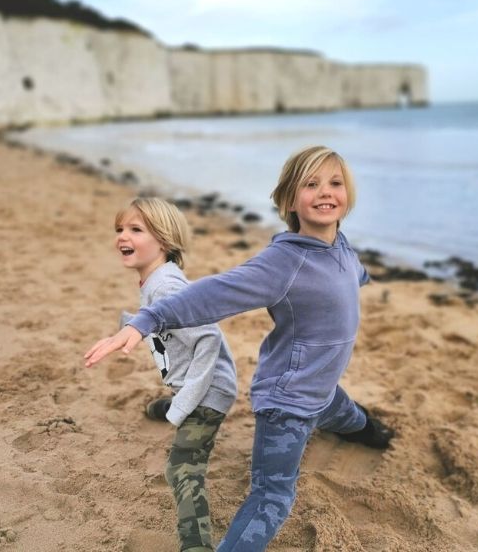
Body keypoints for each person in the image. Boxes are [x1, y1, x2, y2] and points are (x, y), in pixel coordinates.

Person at [84, 146, 394, 551]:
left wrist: (362, 276)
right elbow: (213, 293)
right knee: (272, 496)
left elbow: (351, 273)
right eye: (311, 184)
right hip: (288, 400)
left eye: (335, 183)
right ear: (288, 199)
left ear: (347, 194)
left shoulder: (343, 247)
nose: (325, 192)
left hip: (325, 388)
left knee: (351, 417)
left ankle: (373, 434)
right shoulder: (282, 263)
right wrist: (147, 321)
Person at [87, 197, 238, 552]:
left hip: (208, 390)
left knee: (182, 468)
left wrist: (185, 402)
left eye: (136, 230)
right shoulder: (155, 280)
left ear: (165, 242)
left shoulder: (166, 286)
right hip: (191, 382)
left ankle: (196, 546)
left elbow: (207, 338)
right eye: (120, 229)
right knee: (171, 405)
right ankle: (168, 404)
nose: (123, 236)